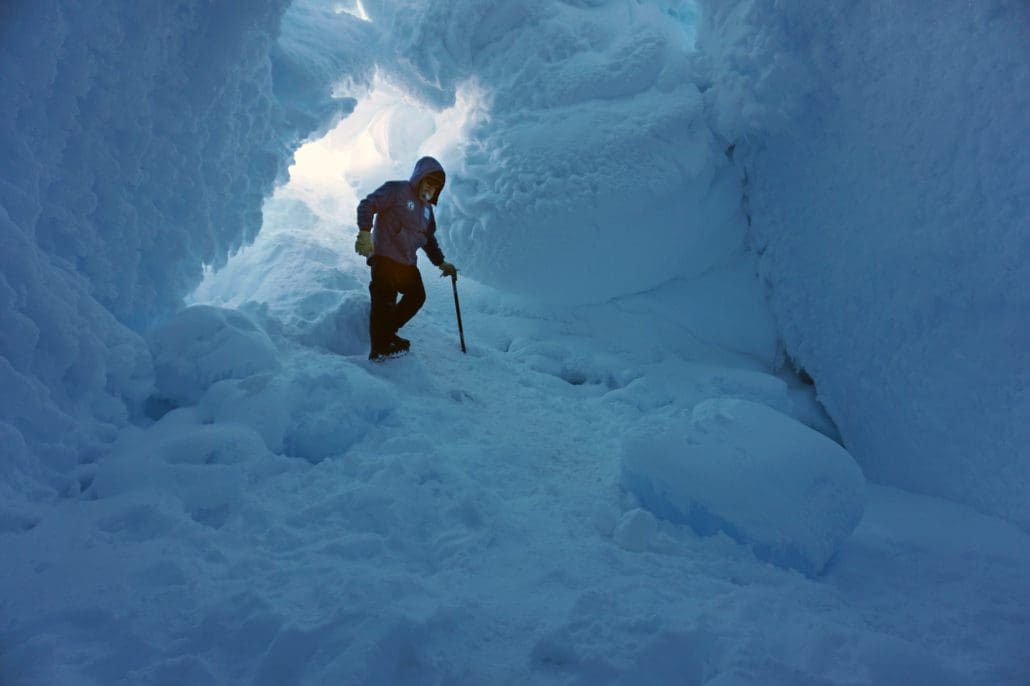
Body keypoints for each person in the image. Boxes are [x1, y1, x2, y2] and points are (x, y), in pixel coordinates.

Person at [354, 156, 458, 360]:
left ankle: (387, 332)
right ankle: (380, 347)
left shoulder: (428, 211)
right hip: (385, 256)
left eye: (436, 186)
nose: (431, 188)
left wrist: (441, 263)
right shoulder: (396, 190)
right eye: (428, 182)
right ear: (419, 178)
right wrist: (365, 231)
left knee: (417, 296)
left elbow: (429, 241)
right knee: (385, 298)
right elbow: (368, 205)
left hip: (407, 263)